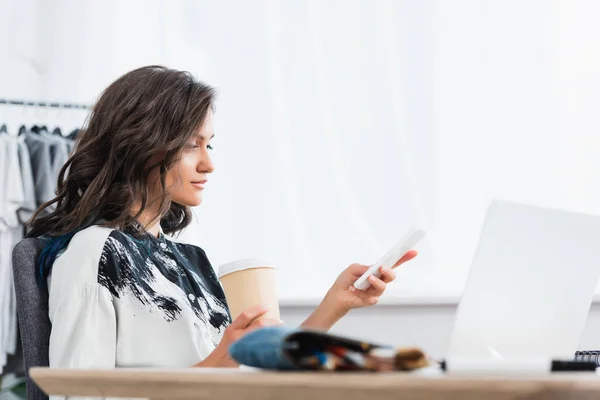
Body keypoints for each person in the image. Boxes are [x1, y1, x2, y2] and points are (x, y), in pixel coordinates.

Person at [27, 66, 418, 370]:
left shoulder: (189, 259)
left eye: (209, 144)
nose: (209, 163)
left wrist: (336, 304)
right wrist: (219, 363)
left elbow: (243, 374)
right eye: (190, 145)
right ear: (142, 144)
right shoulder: (93, 253)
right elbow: (79, 392)